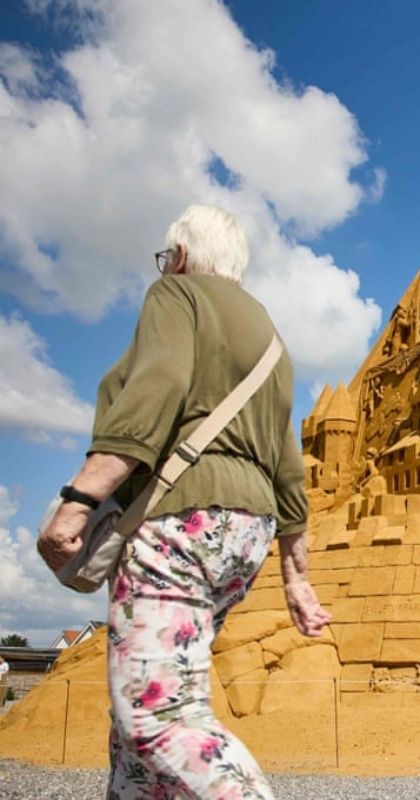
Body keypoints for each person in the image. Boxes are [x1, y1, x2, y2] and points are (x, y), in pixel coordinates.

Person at [37, 205, 332, 799]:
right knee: (138, 737)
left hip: (180, 523)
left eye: (164, 259)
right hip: (244, 537)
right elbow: (287, 457)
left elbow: (157, 388)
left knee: (156, 715)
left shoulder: (176, 295)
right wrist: (296, 575)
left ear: (179, 256)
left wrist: (80, 497)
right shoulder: (271, 338)